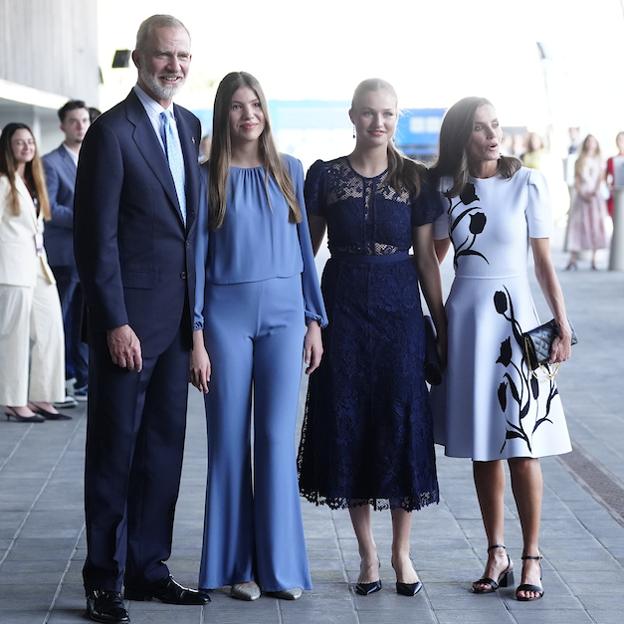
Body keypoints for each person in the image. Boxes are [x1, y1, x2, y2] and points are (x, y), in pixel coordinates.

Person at [74, 14, 208, 624]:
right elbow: (94, 239)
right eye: (163, 56)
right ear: (137, 57)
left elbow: (188, 232)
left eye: (183, 56)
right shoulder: (110, 132)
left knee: (163, 452)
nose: (174, 66)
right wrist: (114, 321)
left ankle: (149, 569)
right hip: (126, 328)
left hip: (176, 326)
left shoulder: (188, 124)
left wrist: (196, 327)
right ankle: (104, 577)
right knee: (113, 453)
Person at [297, 78, 446, 597]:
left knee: (402, 421)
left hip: (400, 310)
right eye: (367, 113)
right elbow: (305, 254)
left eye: (386, 114)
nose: (377, 122)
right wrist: (311, 319)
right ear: (352, 116)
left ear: (397, 118)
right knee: (349, 421)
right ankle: (368, 556)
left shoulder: (417, 180)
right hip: (342, 309)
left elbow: (427, 259)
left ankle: (402, 553)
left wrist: (440, 324)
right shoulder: (325, 176)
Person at [429, 97, 573, 601]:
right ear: (461, 137)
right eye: (481, 128)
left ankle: (531, 554)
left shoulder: (527, 183)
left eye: (496, 126)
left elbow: (542, 263)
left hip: (516, 320)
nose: (494, 135)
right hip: (467, 319)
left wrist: (562, 323)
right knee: (483, 446)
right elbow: (433, 257)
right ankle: (496, 551)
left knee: (523, 444)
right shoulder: (447, 188)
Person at [190, 71, 326, 602]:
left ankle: (280, 567)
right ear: (224, 113)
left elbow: (305, 254)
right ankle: (236, 567)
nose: (249, 114)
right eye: (238, 106)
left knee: (273, 441)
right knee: (227, 442)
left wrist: (315, 319)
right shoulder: (207, 177)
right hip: (225, 316)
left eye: (256, 105)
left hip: (286, 316)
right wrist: (197, 335)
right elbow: (196, 260)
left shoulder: (289, 169)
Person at [0, 123, 67, 423]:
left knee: (51, 326)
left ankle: (42, 395)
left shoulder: (30, 180)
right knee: (13, 336)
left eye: (30, 141)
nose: (27, 147)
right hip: (11, 268)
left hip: (39, 265)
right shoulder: (3, 183)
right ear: (7, 147)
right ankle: (13, 401)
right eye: (19, 142)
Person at [43, 99, 91, 403]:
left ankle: (84, 379)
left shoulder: (95, 156)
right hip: (63, 255)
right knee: (58, 321)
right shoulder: (50, 162)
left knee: (84, 323)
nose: (80, 126)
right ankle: (56, 381)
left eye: (84, 120)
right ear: (62, 126)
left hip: (89, 256)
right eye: (74, 121)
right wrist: (86, 219)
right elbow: (49, 208)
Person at [566, 134, 610, 270]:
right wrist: (582, 194)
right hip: (582, 196)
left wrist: (594, 192)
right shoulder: (579, 160)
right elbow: (577, 180)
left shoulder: (600, 161)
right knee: (577, 226)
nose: (591, 144)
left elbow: (600, 179)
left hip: (595, 197)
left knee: (595, 226)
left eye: (593, 142)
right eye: (588, 141)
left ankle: (594, 259)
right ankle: (572, 259)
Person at [605, 131, 624, 219]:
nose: (621, 141)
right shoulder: (611, 160)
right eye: (619, 139)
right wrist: (609, 186)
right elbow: (605, 178)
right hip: (616, 195)